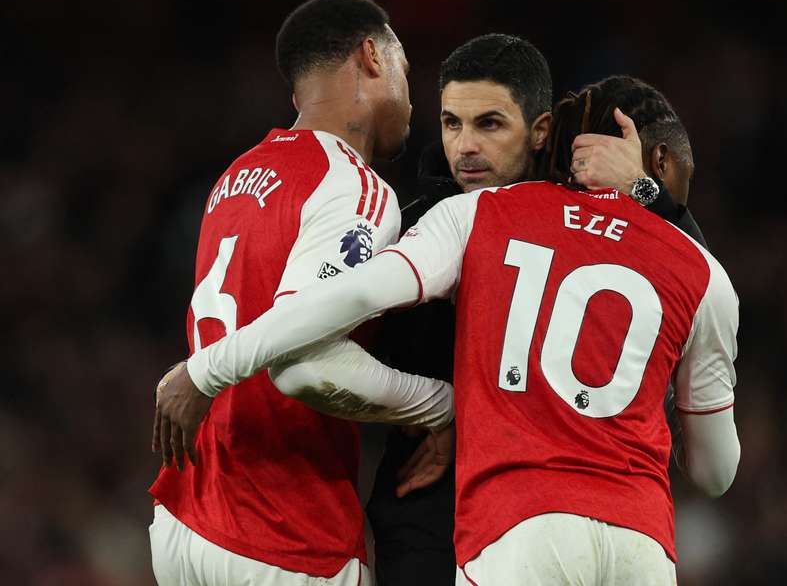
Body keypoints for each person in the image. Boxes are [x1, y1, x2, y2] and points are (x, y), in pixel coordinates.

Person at [158, 77, 742, 584]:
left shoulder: (480, 214)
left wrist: (208, 367)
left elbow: (351, 295)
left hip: (516, 531)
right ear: (658, 166)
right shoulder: (703, 272)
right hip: (640, 541)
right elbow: (716, 475)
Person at [369, 36, 709, 585]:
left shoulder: (583, 214)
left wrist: (644, 192)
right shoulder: (419, 224)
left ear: (542, 130)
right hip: (431, 509)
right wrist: (439, 408)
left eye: (490, 124)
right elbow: (339, 354)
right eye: (452, 124)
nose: (466, 147)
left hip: (558, 512)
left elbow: (700, 282)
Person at [148, 0, 456, 585]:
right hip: (285, 531)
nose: (415, 101)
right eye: (407, 73)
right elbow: (311, 371)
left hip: (188, 516)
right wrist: (442, 406)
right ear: (371, 55)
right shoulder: (356, 188)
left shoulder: (237, 176)